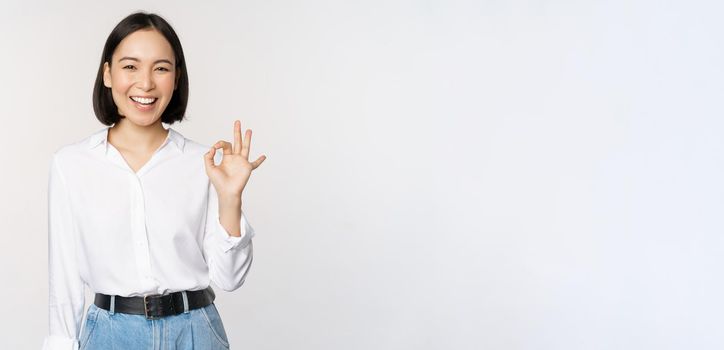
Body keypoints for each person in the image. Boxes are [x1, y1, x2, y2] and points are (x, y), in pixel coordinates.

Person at [41, 11, 266, 350]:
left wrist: (231, 199)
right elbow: (64, 281)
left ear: (176, 79)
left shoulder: (203, 163)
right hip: (110, 336)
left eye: (161, 68)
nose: (145, 83)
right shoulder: (71, 164)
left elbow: (230, 279)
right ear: (107, 74)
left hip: (195, 332)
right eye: (130, 66)